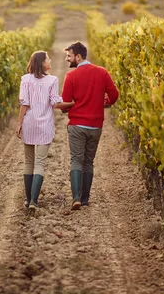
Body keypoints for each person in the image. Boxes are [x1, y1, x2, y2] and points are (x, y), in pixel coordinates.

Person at [61, 41, 119, 210]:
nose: (67, 59)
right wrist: (105, 102)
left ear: (78, 57)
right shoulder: (102, 72)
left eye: (69, 56)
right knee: (88, 162)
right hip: (95, 126)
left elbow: (66, 102)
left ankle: (76, 198)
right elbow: (114, 95)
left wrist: (65, 110)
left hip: (77, 125)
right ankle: (85, 199)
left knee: (76, 161)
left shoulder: (71, 76)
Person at [16, 51, 74, 212]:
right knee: (40, 163)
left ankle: (28, 200)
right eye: (48, 59)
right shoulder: (52, 80)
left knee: (28, 162)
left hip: (29, 124)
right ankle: (34, 201)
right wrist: (73, 103)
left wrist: (19, 123)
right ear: (42, 63)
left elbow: (24, 103)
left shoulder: (25, 79)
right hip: (44, 126)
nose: (50, 61)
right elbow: (55, 102)